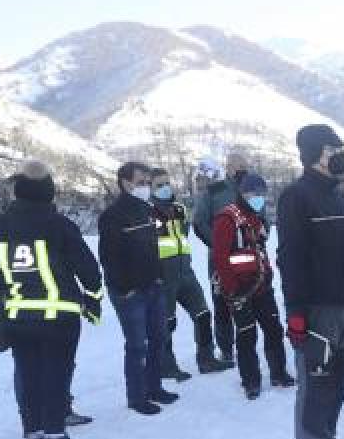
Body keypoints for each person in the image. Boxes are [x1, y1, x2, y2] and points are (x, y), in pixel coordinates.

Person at [0, 161, 103, 439]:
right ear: (49, 192)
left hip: (16, 317)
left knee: (29, 381)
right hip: (59, 318)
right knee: (56, 382)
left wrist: (3, 281)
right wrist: (94, 301)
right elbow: (89, 271)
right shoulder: (58, 225)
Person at [278, 124, 344, 439]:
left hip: (341, 306)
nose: (340, 155)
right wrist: (297, 312)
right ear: (316, 153)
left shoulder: (338, 194)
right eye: (333, 149)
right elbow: (292, 259)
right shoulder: (296, 197)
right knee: (315, 388)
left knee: (336, 385)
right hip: (316, 309)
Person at [99, 161, 179, 415]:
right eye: (141, 182)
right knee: (137, 344)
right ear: (126, 183)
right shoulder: (113, 215)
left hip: (152, 285)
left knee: (158, 338)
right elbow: (109, 257)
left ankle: (154, 387)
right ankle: (137, 396)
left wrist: (157, 278)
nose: (145, 187)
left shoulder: (146, 210)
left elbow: (151, 249)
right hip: (129, 292)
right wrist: (125, 288)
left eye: (147, 182)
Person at [212, 173, 294, 399]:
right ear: (243, 193)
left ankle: (279, 373)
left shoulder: (255, 217)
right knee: (247, 335)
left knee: (274, 329)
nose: (258, 198)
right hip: (239, 289)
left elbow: (259, 251)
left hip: (261, 286)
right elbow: (220, 258)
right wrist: (232, 290)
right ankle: (251, 382)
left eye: (261, 194)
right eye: (254, 193)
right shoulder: (227, 218)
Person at [152, 168, 232, 380]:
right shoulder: (147, 212)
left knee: (203, 314)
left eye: (166, 183)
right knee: (167, 322)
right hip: (163, 274)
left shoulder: (179, 209)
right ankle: (166, 365)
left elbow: (184, 233)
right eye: (159, 185)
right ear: (151, 188)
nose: (164, 188)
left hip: (185, 272)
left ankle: (206, 359)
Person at [194, 153, 250, 368]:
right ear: (228, 168)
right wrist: (219, 245)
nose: (242, 170)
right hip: (221, 259)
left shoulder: (251, 188)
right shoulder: (215, 191)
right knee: (222, 304)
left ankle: (248, 346)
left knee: (249, 300)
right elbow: (199, 222)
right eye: (238, 166)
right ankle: (226, 350)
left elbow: (262, 217)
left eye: (245, 166)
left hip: (248, 258)